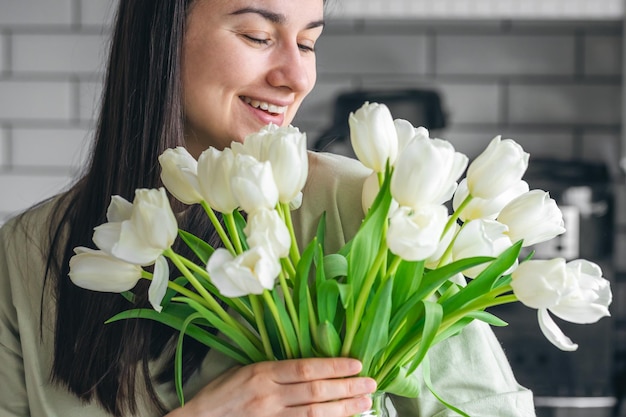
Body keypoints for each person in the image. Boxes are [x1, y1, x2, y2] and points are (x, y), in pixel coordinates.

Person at [0, 1, 536, 416]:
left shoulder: (368, 210)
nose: (297, 77)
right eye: (258, 36)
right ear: (160, 39)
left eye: (307, 43)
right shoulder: (28, 250)